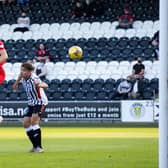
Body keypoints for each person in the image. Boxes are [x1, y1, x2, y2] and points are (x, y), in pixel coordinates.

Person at [13, 62, 48, 153]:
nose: (22, 72)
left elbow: (46, 85)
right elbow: (20, 75)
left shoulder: (34, 78)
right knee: (25, 123)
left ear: (30, 71)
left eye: (24, 70)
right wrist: (16, 83)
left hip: (40, 102)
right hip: (31, 102)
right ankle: (34, 146)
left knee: (34, 122)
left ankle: (39, 147)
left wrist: (40, 85)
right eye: (21, 70)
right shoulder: (23, 75)